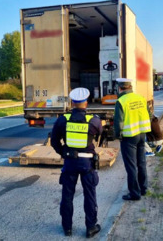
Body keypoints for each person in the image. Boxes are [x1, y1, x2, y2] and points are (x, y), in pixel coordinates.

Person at [51, 87, 102, 238]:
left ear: (72, 102)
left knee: (67, 196)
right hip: (87, 163)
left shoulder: (62, 120)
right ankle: (91, 228)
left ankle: (67, 228)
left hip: (69, 163)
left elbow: (54, 141)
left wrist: (64, 153)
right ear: (86, 103)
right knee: (90, 196)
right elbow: (99, 134)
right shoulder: (94, 120)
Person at [113, 78, 151, 201]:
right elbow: (149, 115)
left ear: (120, 88)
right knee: (141, 162)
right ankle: (143, 188)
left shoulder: (121, 101)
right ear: (130, 87)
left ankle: (134, 193)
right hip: (141, 134)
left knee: (131, 166)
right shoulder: (140, 98)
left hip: (129, 137)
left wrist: (117, 135)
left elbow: (118, 122)